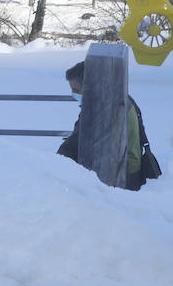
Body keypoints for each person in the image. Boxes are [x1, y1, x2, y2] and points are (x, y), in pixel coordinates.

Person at [57, 61, 148, 190]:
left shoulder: (102, 108)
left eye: (76, 90)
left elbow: (75, 142)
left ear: (89, 86)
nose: (74, 94)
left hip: (121, 176)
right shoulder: (119, 97)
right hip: (128, 169)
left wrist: (55, 166)